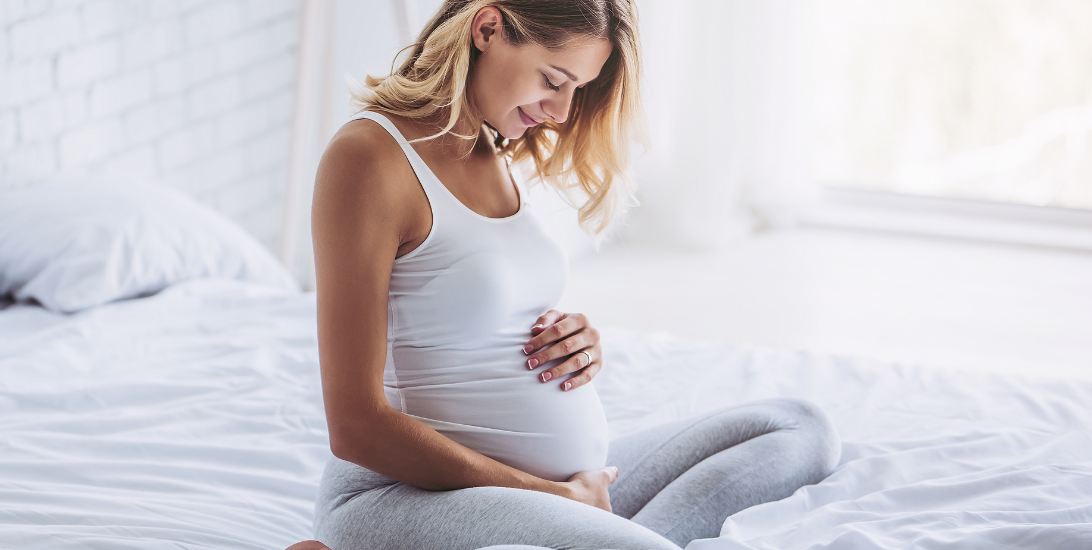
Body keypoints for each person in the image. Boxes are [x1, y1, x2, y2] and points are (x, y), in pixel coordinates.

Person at [308, 1, 842, 549]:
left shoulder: (491, 143)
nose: (562, 112)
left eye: (577, 90)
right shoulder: (369, 158)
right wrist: (550, 498)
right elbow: (355, 425)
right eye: (553, 80)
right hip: (406, 496)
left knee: (799, 427)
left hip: (557, 491)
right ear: (487, 29)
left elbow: (470, 307)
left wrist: (576, 341)